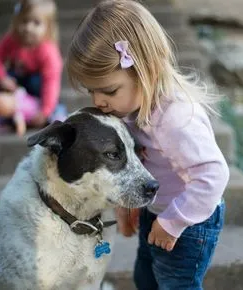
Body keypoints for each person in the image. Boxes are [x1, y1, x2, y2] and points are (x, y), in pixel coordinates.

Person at [67, 1, 229, 289]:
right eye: (92, 91)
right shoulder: (128, 110)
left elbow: (213, 176)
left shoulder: (174, 119)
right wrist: (128, 207)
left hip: (190, 222)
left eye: (109, 90)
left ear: (146, 71)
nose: (97, 102)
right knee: (146, 278)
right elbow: (140, 163)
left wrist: (172, 223)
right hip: (157, 211)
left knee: (175, 284)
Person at [0, 0, 65, 136]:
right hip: (17, 85)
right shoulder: (13, 39)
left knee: (40, 84)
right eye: (24, 21)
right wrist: (1, 78)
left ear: (48, 27)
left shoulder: (48, 50)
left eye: (36, 23)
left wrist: (45, 111)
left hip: (37, 88)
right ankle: (2, 118)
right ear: (17, 21)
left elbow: (51, 82)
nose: (28, 27)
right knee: (5, 81)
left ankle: (55, 112)